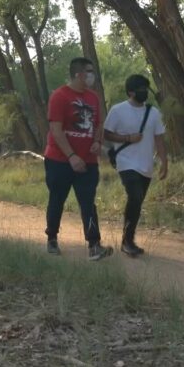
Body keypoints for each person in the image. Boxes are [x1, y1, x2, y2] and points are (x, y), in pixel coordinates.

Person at [44, 57, 113, 261]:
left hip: (88, 161)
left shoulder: (93, 98)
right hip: (59, 160)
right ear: (78, 74)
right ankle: (52, 238)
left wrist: (98, 143)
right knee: (57, 199)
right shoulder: (59, 96)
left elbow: (99, 125)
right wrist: (71, 156)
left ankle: (94, 245)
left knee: (88, 202)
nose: (92, 76)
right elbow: (56, 130)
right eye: (89, 72)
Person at [103, 74, 168, 257]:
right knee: (135, 195)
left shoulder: (154, 113)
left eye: (146, 89)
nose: (144, 92)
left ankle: (128, 237)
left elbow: (160, 139)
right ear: (130, 92)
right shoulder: (117, 110)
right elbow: (106, 134)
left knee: (137, 202)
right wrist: (127, 138)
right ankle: (127, 241)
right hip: (125, 162)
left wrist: (164, 162)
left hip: (146, 164)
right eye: (140, 89)